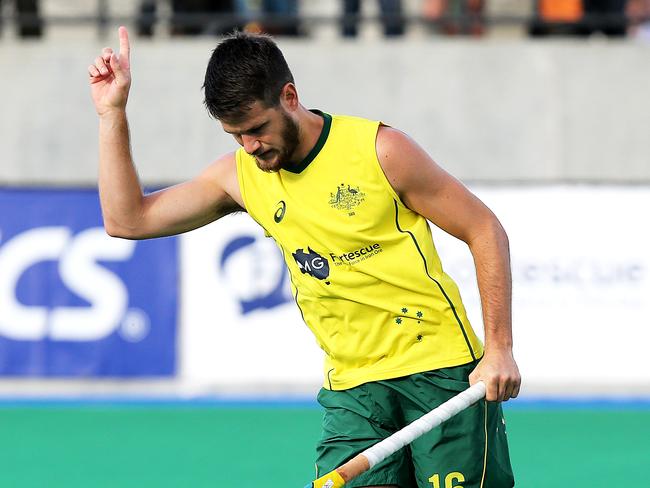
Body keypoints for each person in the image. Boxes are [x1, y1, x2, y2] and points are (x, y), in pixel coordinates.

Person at [88, 27, 520, 488]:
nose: (251, 147)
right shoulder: (238, 177)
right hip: (352, 391)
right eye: (236, 136)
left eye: (257, 129)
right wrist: (112, 113)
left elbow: (483, 228)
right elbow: (127, 220)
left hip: (439, 371)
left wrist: (500, 349)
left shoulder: (381, 151)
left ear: (289, 97)